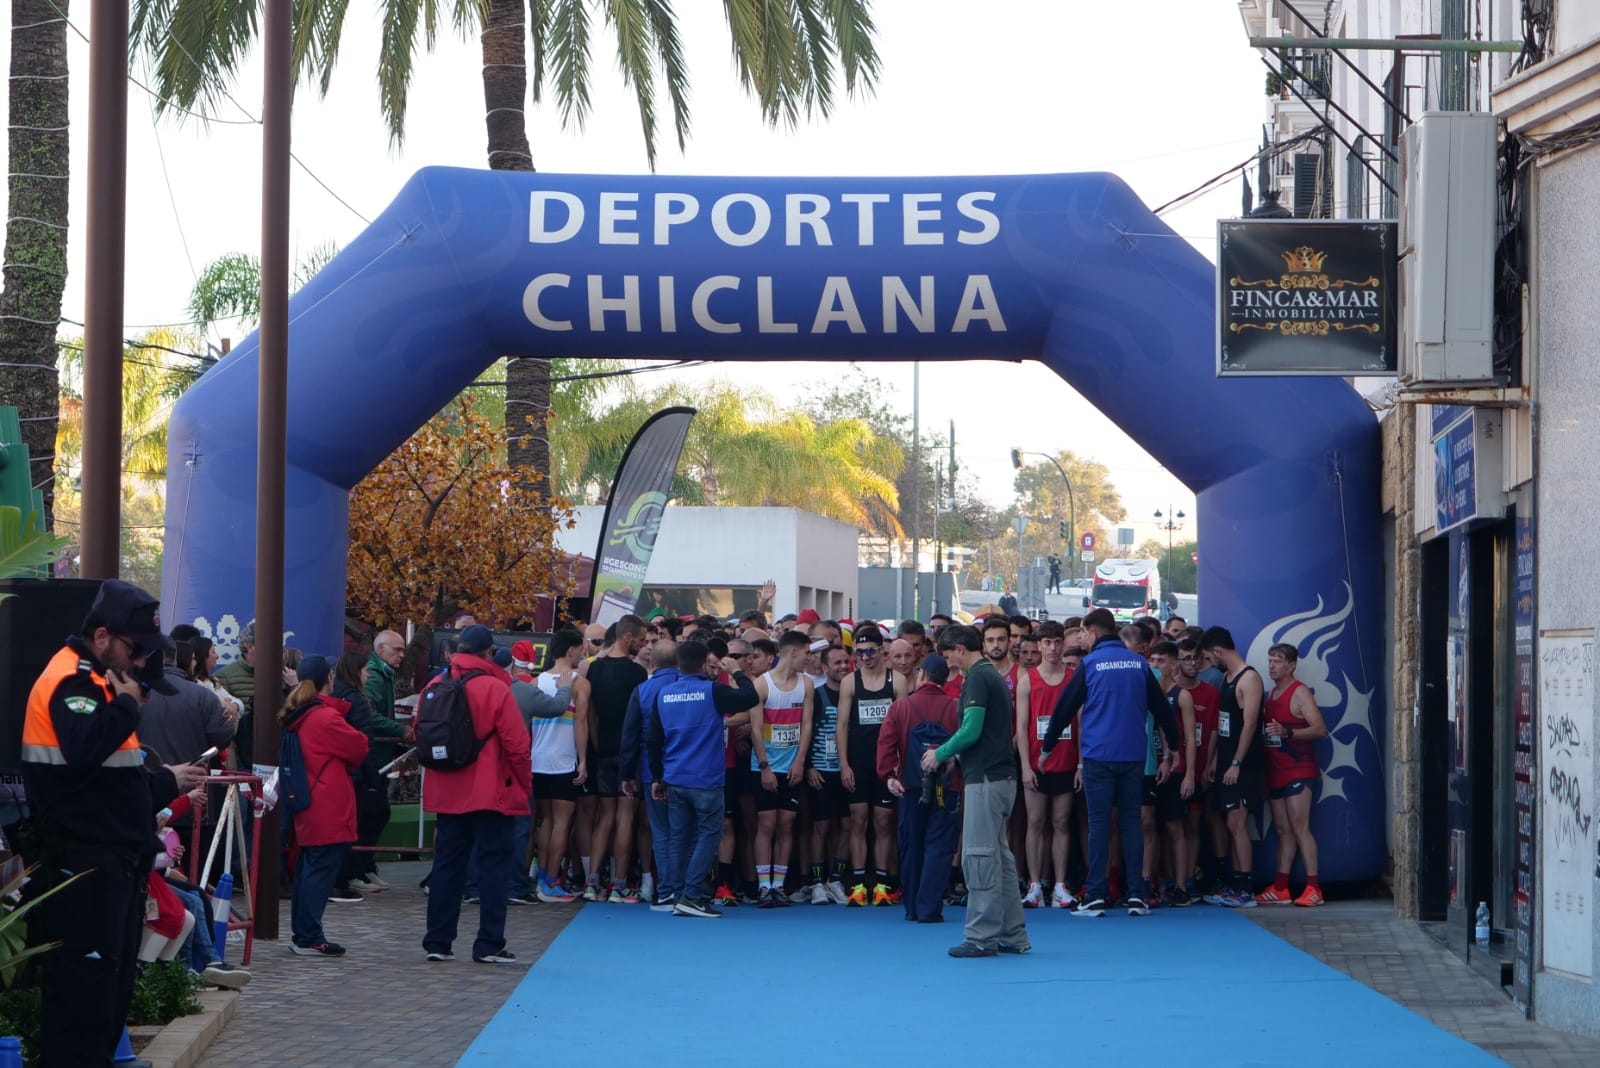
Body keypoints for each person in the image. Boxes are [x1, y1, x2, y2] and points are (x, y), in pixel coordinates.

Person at [21, 579, 209, 1065]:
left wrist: (164, 781)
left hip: (111, 863)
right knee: (83, 1001)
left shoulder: (103, 684)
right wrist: (126, 707)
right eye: (136, 649)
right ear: (101, 636)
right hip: (84, 866)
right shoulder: (74, 681)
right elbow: (84, 751)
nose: (142, 662)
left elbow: (115, 785)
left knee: (105, 1000)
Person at [1042, 608, 1180, 918]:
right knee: (1131, 825)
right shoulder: (1138, 664)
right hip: (1133, 756)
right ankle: (1136, 895)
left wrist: (1048, 746)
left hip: (1098, 756)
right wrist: (1175, 746)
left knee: (1100, 825)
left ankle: (1095, 894)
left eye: (1082, 633)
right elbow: (1162, 708)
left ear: (1092, 633)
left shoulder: (1090, 664)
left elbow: (1065, 707)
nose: (1080, 639)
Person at [420, 625, 533, 964]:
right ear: (487, 653)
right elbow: (517, 745)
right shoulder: (496, 688)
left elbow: (420, 732)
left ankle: (438, 942)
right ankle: (489, 943)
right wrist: (524, 786)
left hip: (447, 790)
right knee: (493, 867)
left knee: (447, 865)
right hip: (490, 791)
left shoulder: (434, 685)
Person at [924, 625, 1029, 958]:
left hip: (985, 779)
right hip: (999, 777)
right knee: (1000, 858)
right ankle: (1013, 934)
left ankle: (981, 936)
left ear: (958, 648)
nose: (947, 662)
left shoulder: (978, 679)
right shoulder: (990, 676)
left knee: (980, 856)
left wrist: (940, 754)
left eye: (947, 653)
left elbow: (970, 730)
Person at [647, 641, 761, 918]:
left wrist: (657, 777)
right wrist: (736, 671)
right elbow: (750, 698)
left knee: (679, 837)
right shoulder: (713, 690)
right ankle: (691, 895)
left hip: (675, 777)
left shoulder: (664, 694)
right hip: (706, 779)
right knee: (709, 836)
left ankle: (670, 893)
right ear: (702, 665)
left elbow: (653, 739)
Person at [281, 655, 370, 956]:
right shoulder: (324, 717)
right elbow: (359, 745)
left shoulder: (300, 713)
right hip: (327, 803)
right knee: (319, 870)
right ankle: (308, 936)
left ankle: (303, 933)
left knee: (309, 867)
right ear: (328, 679)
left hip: (309, 800)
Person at [879, 655, 962, 923]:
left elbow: (886, 745)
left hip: (911, 787)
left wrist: (889, 775)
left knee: (911, 846)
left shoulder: (901, 707)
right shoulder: (955, 708)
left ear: (922, 675)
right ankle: (929, 907)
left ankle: (912, 906)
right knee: (939, 847)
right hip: (947, 788)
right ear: (945, 678)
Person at [835, 624, 903, 906]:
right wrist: (844, 765)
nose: (865, 657)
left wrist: (898, 763)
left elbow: (904, 725)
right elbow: (840, 725)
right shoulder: (850, 682)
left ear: (882, 651)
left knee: (883, 822)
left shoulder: (897, 681)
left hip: (885, 765)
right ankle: (860, 883)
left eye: (870, 651)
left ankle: (883, 883)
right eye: (860, 652)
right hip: (858, 762)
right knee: (858, 822)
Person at [1198, 626, 1265, 908]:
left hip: (1244, 765)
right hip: (1226, 762)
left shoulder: (1249, 679)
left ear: (1217, 651)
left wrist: (1236, 762)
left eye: (1209, 658)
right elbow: (1222, 724)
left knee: (1238, 824)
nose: (1210, 665)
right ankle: (1235, 883)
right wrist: (1216, 761)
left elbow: (1250, 724)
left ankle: (1245, 887)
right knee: (1230, 823)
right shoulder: (1227, 678)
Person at [584, 614, 649, 903]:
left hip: (603, 750)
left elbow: (589, 716)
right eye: (641, 640)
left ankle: (591, 881)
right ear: (627, 637)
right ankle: (619, 884)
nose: (643, 645)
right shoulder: (636, 673)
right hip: (628, 753)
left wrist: (597, 746)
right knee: (625, 818)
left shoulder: (592, 669)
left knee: (604, 817)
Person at [747, 629, 814, 906]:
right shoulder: (762, 685)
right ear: (794, 652)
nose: (810, 659)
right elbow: (754, 728)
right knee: (767, 824)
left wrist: (799, 761)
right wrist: (764, 767)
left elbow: (806, 725)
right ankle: (764, 886)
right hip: (765, 766)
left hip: (792, 767)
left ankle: (779, 885)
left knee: (786, 824)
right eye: (807, 653)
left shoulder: (806, 684)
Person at [1257, 643, 1328, 907]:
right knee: (1282, 829)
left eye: (1277, 661)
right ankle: (1281, 887)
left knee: (1300, 827)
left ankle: (1314, 888)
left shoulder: (1299, 693)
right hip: (1276, 770)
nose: (1272, 665)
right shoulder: (1271, 694)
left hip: (1299, 769)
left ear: (1291, 665)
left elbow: (1320, 729)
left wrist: (1288, 732)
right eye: (1270, 660)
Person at [1015, 619, 1077, 910]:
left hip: (1066, 762)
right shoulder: (1027, 680)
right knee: (1035, 822)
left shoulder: (1074, 678)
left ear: (1063, 644)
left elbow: (1083, 723)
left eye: (1057, 642)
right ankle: (1035, 885)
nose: (1052, 648)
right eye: (1047, 643)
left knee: (1061, 822)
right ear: (1039, 646)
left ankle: (1061, 886)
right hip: (1036, 766)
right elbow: (1022, 726)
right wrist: (1025, 767)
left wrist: (1081, 767)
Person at [619, 640, 682, 910]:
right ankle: (685, 889)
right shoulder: (690, 688)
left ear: (652, 663)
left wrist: (627, 773)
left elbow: (630, 735)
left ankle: (668, 889)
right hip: (686, 769)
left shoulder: (643, 690)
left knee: (662, 832)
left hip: (650, 770)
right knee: (685, 831)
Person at [531, 630, 589, 902]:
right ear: (571, 651)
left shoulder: (536, 682)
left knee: (548, 821)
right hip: (563, 760)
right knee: (562, 823)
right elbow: (581, 723)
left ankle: (543, 876)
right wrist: (583, 760)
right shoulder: (580, 683)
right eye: (581, 650)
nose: (583, 655)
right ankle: (551, 882)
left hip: (538, 759)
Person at [331, 651, 393, 900]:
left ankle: (361, 869)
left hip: (350, 769)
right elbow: (364, 739)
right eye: (366, 670)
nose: (368, 674)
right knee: (364, 820)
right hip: (358, 771)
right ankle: (353, 872)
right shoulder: (355, 698)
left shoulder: (342, 694)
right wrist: (373, 775)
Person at [802, 643, 851, 904]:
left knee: (847, 825)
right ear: (824, 668)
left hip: (846, 772)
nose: (843, 667)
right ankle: (816, 882)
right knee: (820, 827)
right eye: (837, 663)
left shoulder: (854, 693)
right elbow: (805, 731)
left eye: (846, 662)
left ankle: (836, 879)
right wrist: (809, 765)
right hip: (821, 771)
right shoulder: (817, 695)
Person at [138, 640, 236, 767]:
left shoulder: (132, 691)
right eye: (193, 659)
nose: (195, 663)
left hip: (143, 777)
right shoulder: (203, 695)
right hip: (192, 777)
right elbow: (221, 737)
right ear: (178, 660)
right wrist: (230, 718)